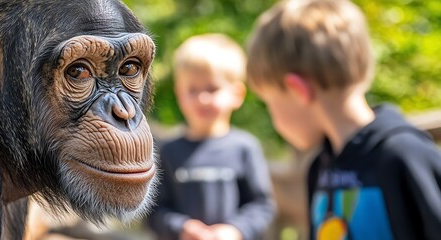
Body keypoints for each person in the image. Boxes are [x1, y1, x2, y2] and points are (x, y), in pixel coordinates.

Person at [246, 0, 441, 239]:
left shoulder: (404, 154)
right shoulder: (320, 167)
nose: (273, 117)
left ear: (297, 90)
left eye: (269, 102)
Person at [147, 33, 276, 240]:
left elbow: (261, 206)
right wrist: (182, 227)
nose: (202, 99)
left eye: (212, 89)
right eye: (193, 90)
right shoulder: (169, 151)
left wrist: (234, 230)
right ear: (179, 94)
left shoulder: (244, 148)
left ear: (237, 94)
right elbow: (154, 210)